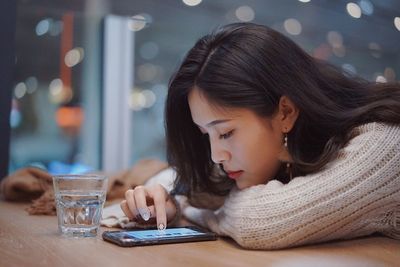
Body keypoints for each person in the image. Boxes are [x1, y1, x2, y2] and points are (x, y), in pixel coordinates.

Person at [120, 23, 400, 249]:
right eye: (207, 135)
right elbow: (189, 178)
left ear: (285, 113)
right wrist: (167, 201)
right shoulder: (287, 151)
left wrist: (189, 212)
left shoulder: (385, 146)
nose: (216, 155)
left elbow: (257, 220)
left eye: (226, 133)